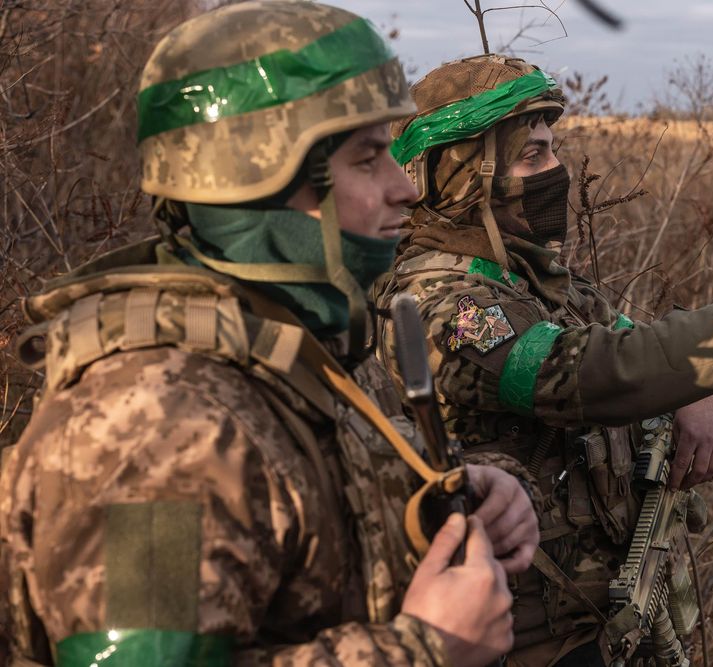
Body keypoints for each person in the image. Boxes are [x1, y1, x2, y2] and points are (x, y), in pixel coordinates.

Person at [0, 6, 541, 667]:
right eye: (367, 159)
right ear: (254, 177)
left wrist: (467, 490)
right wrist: (423, 650)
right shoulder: (155, 427)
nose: (403, 188)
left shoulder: (303, 345)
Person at [377, 54, 713, 666]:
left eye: (553, 150)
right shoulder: (440, 301)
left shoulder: (532, 278)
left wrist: (694, 389)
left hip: (602, 625)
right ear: (460, 177)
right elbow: (594, 374)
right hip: (525, 643)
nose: (555, 171)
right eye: (532, 156)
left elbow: (642, 346)